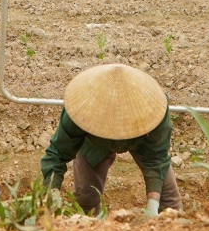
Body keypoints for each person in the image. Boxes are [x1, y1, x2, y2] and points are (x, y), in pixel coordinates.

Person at [40, 64, 182, 216]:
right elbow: (57, 154)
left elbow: (156, 158)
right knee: (86, 202)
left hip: (142, 140)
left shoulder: (154, 109)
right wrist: (51, 192)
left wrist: (153, 203)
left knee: (170, 206)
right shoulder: (82, 110)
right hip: (94, 145)